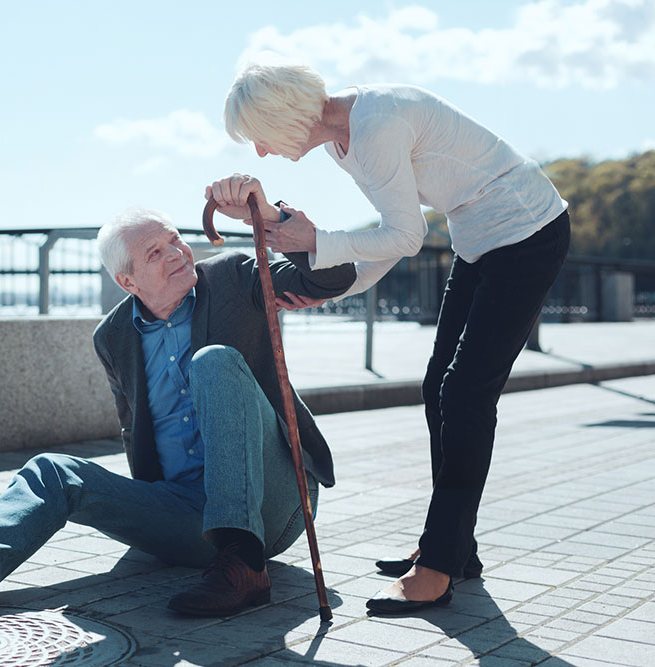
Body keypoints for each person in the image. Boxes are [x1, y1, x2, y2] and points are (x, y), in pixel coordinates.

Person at [0, 207, 355, 617]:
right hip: (188, 517)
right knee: (53, 471)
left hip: (277, 504)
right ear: (129, 282)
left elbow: (332, 280)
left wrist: (279, 224)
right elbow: (136, 434)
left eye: (174, 238)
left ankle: (245, 564)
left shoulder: (235, 277)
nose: (176, 252)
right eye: (155, 252)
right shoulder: (112, 337)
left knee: (214, 362)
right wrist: (145, 509)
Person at [209, 63, 570, 614]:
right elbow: (392, 235)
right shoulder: (344, 138)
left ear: (285, 116)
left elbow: (405, 236)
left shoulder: (375, 126)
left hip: (527, 232)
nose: (261, 152)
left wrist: (320, 241)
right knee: (438, 388)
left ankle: (439, 567)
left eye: (261, 134)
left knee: (465, 395)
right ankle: (454, 548)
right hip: (480, 239)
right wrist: (336, 282)